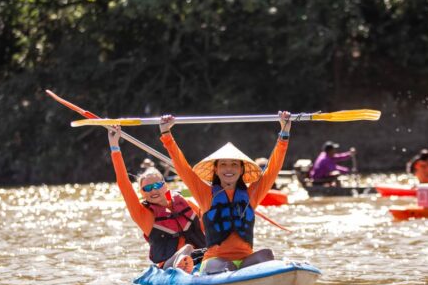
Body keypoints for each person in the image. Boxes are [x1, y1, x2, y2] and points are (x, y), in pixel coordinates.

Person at [159, 111, 292, 275]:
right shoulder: (205, 193)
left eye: (234, 164)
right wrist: (166, 134)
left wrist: (284, 133)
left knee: (267, 254)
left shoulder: (252, 193)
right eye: (223, 165)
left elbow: (273, 168)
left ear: (241, 169)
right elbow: (182, 167)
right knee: (227, 267)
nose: (229, 169)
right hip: (215, 261)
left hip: (245, 261)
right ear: (216, 168)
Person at [107, 126, 206, 272]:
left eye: (157, 185)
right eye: (147, 188)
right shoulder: (143, 216)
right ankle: (184, 264)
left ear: (165, 186)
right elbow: (123, 183)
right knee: (187, 248)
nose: (153, 190)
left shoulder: (187, 204)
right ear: (142, 193)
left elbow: (208, 224)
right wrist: (115, 146)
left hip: (200, 257)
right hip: (170, 266)